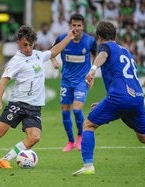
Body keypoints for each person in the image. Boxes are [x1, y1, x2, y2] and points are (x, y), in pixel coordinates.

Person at [72, 21, 145, 176]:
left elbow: (102, 55)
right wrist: (106, 101)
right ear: (115, 35)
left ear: (98, 37)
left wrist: (92, 70)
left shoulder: (105, 46)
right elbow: (122, 79)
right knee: (144, 136)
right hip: (136, 97)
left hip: (119, 97)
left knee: (88, 125)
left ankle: (88, 165)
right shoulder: (126, 52)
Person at [0, 25, 78, 169]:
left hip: (34, 107)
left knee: (34, 137)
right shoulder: (16, 61)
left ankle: (5, 160)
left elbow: (54, 51)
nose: (28, 48)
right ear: (18, 42)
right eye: (24, 45)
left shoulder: (38, 55)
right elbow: (2, 83)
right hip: (18, 104)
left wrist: (69, 37)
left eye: (30, 45)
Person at [51, 13, 97, 152]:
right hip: (66, 81)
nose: (76, 28)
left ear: (83, 26)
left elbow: (96, 55)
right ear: (70, 26)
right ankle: (70, 141)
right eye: (73, 25)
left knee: (77, 110)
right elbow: (51, 53)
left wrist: (92, 74)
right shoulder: (62, 39)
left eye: (79, 25)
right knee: (65, 112)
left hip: (81, 81)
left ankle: (80, 138)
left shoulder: (90, 41)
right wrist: (54, 62)